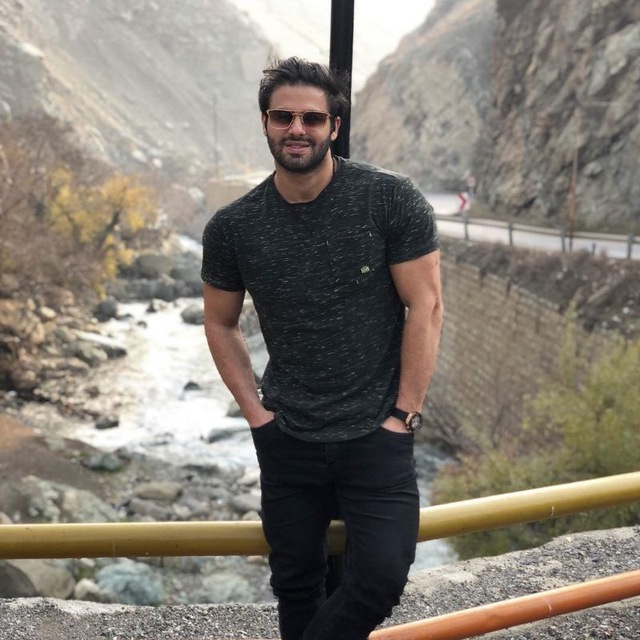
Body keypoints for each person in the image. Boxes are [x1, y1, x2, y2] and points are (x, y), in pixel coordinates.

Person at [201, 57, 443, 640]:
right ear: (265, 122)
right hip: (287, 439)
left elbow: (427, 306)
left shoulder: (389, 200)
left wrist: (403, 416)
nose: (297, 129)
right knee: (296, 585)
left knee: (378, 578)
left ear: (334, 126)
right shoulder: (233, 227)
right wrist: (257, 417)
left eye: (312, 118)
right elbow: (220, 323)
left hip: (377, 438)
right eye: (283, 116)